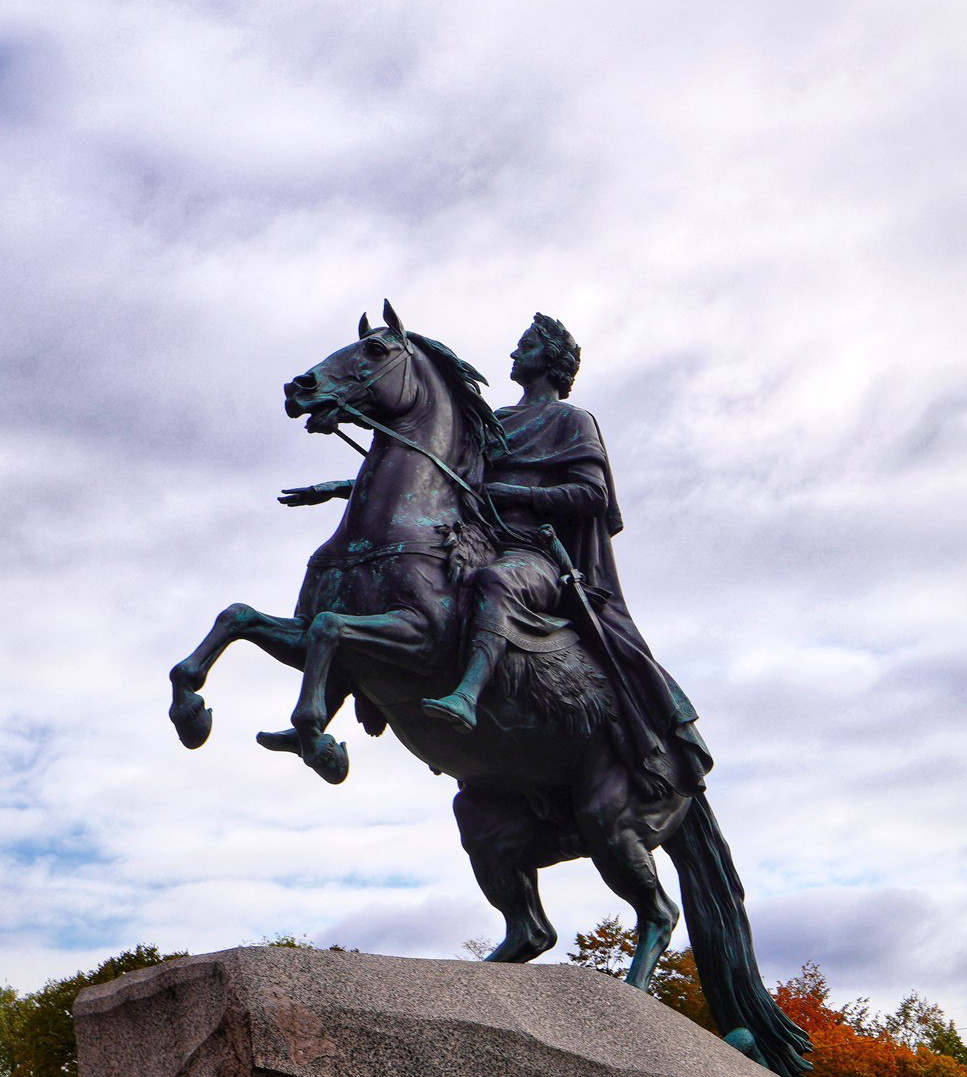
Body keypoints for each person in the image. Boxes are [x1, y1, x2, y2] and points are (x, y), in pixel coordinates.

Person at [281, 313, 710, 797]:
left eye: (524, 346)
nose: (513, 354)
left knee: (494, 583)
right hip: (480, 541)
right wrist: (340, 488)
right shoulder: (497, 423)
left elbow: (590, 495)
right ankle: (331, 704)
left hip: (536, 556)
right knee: (401, 588)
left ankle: (468, 694)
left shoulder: (571, 421)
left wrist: (512, 494)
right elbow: (437, 478)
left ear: (550, 360)